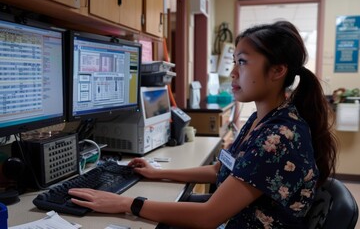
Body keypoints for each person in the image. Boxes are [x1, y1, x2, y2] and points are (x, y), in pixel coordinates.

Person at [68, 21, 337, 228]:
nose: (232, 72)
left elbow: (209, 217)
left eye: (242, 63)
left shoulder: (280, 136)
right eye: (234, 62)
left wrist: (125, 202)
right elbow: (222, 169)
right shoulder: (262, 119)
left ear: (278, 71)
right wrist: (156, 173)